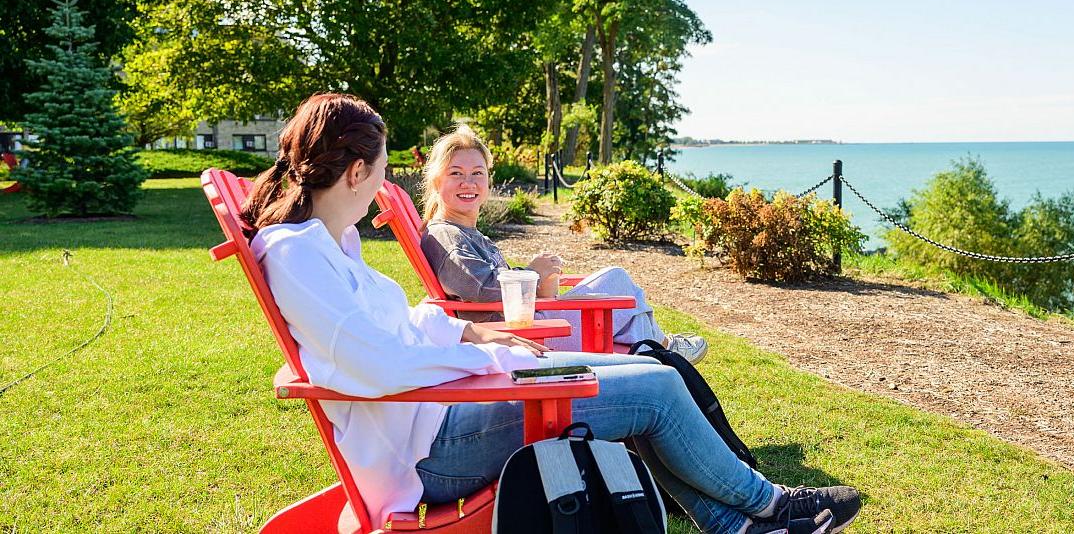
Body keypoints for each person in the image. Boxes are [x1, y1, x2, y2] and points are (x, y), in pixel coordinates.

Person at [244, 93, 862, 534]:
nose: (381, 186)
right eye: (379, 175)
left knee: (650, 378)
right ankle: (773, 504)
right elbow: (373, 363)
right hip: (429, 445)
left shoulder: (332, 247)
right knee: (653, 389)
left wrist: (469, 329)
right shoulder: (298, 255)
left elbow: (397, 328)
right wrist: (477, 356)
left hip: (450, 405)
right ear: (356, 171)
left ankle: (737, 525)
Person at [418, 125, 708, 362]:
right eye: (456, 173)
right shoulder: (447, 235)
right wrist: (531, 273)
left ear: (488, 180)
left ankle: (655, 351)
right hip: (521, 335)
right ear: (436, 181)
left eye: (477, 173)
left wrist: (541, 277)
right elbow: (479, 288)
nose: (468, 182)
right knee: (616, 280)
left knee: (615, 289)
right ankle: (663, 349)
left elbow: (485, 283)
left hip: (526, 323)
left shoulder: (466, 232)